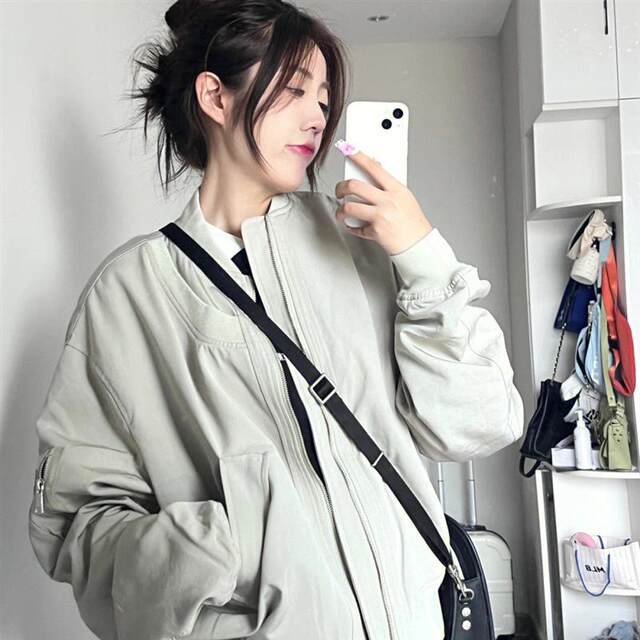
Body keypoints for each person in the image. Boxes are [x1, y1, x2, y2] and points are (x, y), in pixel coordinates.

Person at [27, 1, 525, 639]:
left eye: (324, 98)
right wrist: (224, 548)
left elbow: (479, 425)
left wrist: (423, 256)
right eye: (294, 89)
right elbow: (78, 525)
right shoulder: (127, 295)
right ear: (216, 96)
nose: (318, 116)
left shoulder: (363, 246)